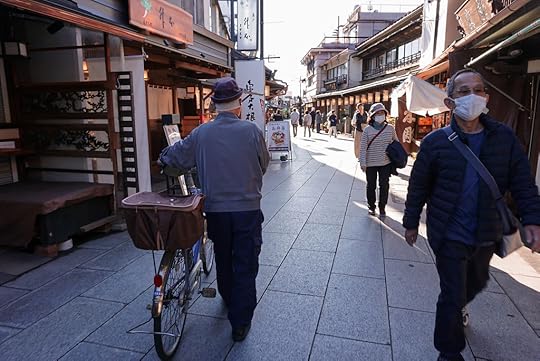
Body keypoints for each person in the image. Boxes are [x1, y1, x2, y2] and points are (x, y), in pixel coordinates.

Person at [402, 69, 540, 361]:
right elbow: (419, 185)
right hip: (448, 231)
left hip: (486, 232)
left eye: (478, 89)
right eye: (464, 92)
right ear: (450, 102)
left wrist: (532, 220)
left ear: (487, 97)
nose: (473, 96)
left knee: (476, 282)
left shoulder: (504, 138)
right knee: (451, 293)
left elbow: (523, 182)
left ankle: (458, 306)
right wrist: (411, 221)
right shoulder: (436, 142)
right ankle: (449, 351)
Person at [159, 77, 270, 342]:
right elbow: (263, 163)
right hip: (247, 209)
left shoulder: (201, 133)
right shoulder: (252, 131)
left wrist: (163, 157)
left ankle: (229, 297)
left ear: (215, 105)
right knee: (245, 261)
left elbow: (175, 157)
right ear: (238, 104)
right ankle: (240, 323)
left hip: (216, 210)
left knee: (222, 253)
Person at [359, 103, 397, 217]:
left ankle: (382, 207)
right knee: (371, 185)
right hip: (370, 163)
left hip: (385, 162)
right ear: (373, 115)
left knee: (384, 185)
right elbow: (363, 148)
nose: (380, 115)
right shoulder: (367, 130)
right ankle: (371, 206)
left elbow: (396, 144)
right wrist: (363, 162)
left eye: (382, 113)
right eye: (378, 113)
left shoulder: (390, 128)